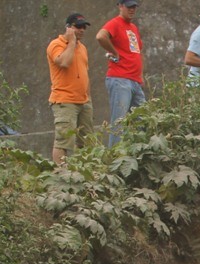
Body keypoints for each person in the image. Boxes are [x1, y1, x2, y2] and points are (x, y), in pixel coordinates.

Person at [95, 0, 144, 146]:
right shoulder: (115, 23)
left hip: (134, 81)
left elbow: (137, 51)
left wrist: (140, 75)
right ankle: (114, 156)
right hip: (119, 79)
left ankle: (140, 153)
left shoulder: (133, 28)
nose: (132, 9)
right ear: (120, 6)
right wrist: (114, 52)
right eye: (129, 7)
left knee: (144, 120)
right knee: (119, 122)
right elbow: (100, 36)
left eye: (134, 7)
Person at [47, 13, 93, 165]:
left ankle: (85, 172)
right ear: (68, 28)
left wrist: (88, 98)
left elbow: (85, 73)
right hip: (65, 101)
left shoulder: (83, 48)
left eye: (84, 27)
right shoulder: (56, 45)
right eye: (78, 27)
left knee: (87, 141)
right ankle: (62, 175)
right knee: (63, 142)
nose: (82, 30)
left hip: (84, 101)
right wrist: (71, 41)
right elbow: (64, 62)